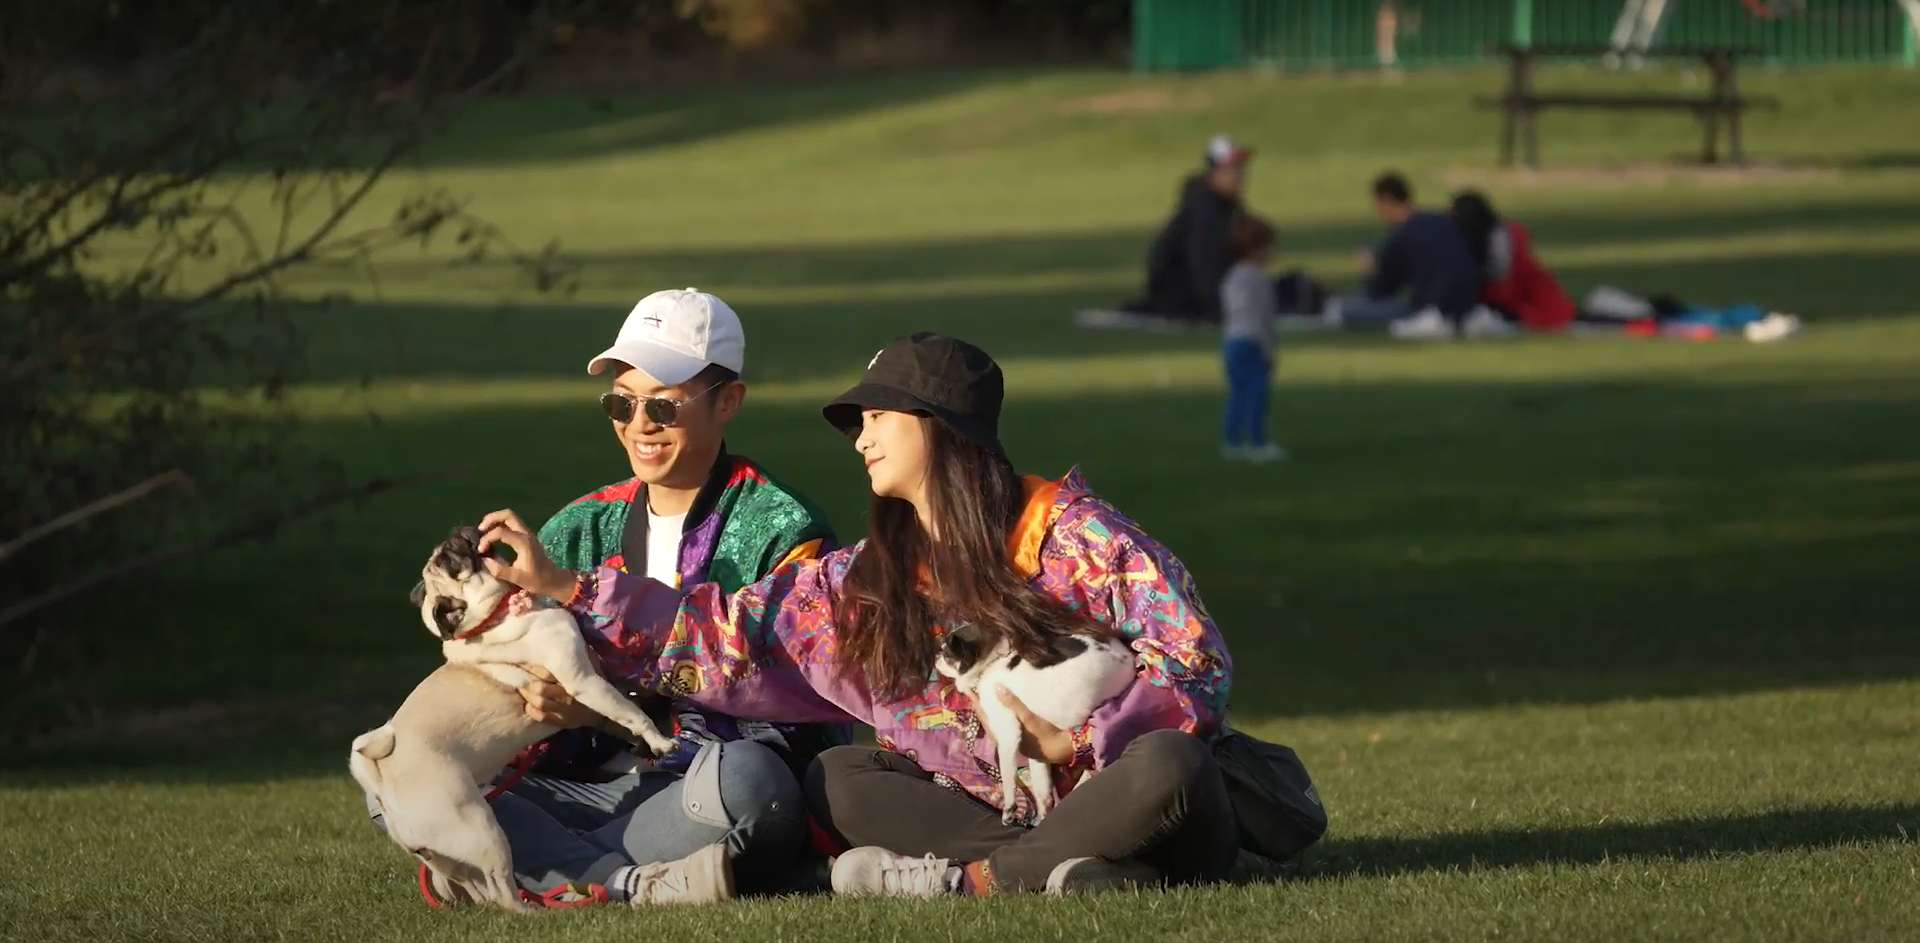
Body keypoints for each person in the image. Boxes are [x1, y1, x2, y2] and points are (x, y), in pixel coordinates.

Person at [477, 331, 1241, 899]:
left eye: (879, 417)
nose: (860, 438)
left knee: (1173, 764)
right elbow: (726, 634)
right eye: (857, 424)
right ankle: (1078, 867)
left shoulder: (1078, 535)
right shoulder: (863, 584)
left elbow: (1196, 662)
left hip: (1140, 796)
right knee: (838, 775)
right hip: (995, 809)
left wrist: (1074, 738)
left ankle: (979, 880)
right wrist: (573, 587)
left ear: (942, 427)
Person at [371, 288, 847, 907]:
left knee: (752, 782)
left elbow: (793, 705)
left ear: (728, 401)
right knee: (393, 776)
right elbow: (523, 703)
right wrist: (544, 703)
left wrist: (602, 704)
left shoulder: (785, 530)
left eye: (664, 407)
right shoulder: (577, 527)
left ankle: (529, 866)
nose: (639, 425)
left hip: (705, 783)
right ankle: (636, 878)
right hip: (592, 789)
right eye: (620, 404)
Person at [1328, 171, 1504, 339]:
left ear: (1385, 200)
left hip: (1432, 310)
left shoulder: (1400, 236)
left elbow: (1379, 291)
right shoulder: (1442, 220)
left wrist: (1367, 270)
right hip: (1468, 305)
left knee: (1348, 310)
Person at [1118, 134, 1253, 329]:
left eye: (1240, 168)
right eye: (1231, 169)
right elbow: (1203, 264)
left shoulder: (1227, 206)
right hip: (1180, 296)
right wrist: (1216, 310)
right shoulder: (1205, 210)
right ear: (1213, 173)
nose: (1239, 176)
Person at [1448, 189, 1575, 333]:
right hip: (1523, 297)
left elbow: (1500, 274)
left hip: (1525, 301)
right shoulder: (1501, 233)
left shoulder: (1499, 235)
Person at [1219, 213, 1286, 463]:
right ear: (1257, 249)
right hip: (1253, 342)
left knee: (1237, 393)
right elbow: (1262, 317)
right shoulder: (1259, 279)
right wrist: (1268, 350)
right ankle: (1258, 442)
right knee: (1257, 394)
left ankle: (1233, 441)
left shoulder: (1232, 277)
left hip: (1231, 341)